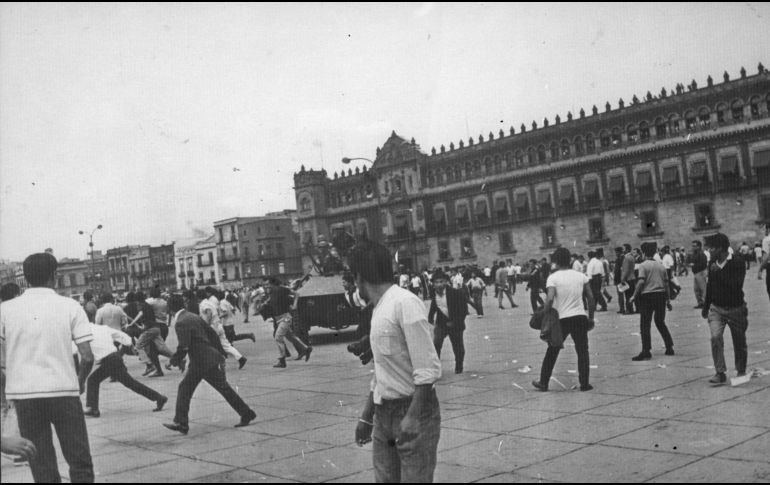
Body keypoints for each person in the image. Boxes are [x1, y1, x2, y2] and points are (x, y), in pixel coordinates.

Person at [349, 241, 442, 483]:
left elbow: (427, 369)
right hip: (383, 414)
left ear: (359, 277)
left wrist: (412, 416)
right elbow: (381, 373)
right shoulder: (379, 308)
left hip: (412, 411)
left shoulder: (405, 303)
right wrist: (366, 416)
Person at [0, 252, 95, 483]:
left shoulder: (5, 310)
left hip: (25, 396)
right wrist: (80, 382)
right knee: (79, 460)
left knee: (40, 462)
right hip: (64, 391)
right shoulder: (71, 306)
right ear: (55, 275)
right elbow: (87, 356)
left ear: (27, 277)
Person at [163, 295, 256, 434]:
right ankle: (246, 413)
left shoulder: (181, 322)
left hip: (201, 361)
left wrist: (173, 361)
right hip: (206, 359)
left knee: (188, 388)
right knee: (217, 388)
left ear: (170, 308)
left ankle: (182, 422)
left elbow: (184, 346)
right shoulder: (193, 316)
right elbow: (212, 334)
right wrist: (219, 352)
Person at [532, 247, 595, 392]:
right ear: (569, 260)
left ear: (556, 261)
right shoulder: (581, 276)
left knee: (552, 350)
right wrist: (591, 317)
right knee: (582, 350)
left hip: (562, 319)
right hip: (579, 317)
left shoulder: (553, 278)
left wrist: (542, 316)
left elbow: (549, 300)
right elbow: (591, 298)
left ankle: (543, 382)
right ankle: (584, 384)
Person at [83, 323, 167, 418]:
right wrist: (129, 344)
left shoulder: (83, 332)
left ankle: (93, 408)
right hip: (115, 357)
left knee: (93, 380)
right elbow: (124, 337)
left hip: (109, 360)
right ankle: (159, 398)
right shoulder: (102, 328)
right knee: (131, 383)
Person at [701, 233, 749, 385]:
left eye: (711, 248)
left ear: (720, 248)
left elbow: (736, 286)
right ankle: (720, 372)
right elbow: (710, 286)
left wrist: (719, 272)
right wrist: (706, 306)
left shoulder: (738, 262)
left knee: (739, 341)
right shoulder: (712, 264)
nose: (709, 251)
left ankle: (741, 370)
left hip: (736, 308)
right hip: (717, 308)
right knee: (715, 337)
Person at [628, 242, 675, 361]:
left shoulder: (643, 266)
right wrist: (668, 300)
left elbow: (641, 282)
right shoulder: (661, 266)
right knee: (660, 322)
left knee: (645, 323)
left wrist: (634, 296)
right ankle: (669, 346)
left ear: (643, 253)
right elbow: (666, 284)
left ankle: (646, 350)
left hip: (647, 296)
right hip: (661, 296)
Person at [265, 277, 311, 368]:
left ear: (273, 284)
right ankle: (306, 349)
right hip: (279, 319)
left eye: (267, 284)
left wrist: (294, 305)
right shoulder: (271, 292)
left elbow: (297, 294)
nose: (266, 286)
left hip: (285, 318)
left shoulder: (282, 289)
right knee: (291, 337)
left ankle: (282, 361)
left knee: (278, 337)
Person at [198, 289, 247, 370]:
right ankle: (240, 358)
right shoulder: (209, 302)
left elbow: (209, 313)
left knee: (210, 346)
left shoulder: (203, 303)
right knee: (226, 345)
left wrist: (206, 324)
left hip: (213, 327)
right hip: (219, 325)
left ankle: (217, 363)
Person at [689, 240, 709, 309]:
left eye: (694, 246)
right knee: (696, 289)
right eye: (692, 246)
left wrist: (694, 265)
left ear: (699, 246)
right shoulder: (695, 254)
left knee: (703, 289)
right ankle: (700, 303)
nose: (693, 247)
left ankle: (705, 303)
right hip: (696, 273)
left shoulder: (702, 254)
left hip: (701, 272)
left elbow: (703, 264)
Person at [620, 244, 638, 314]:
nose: (622, 250)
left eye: (623, 249)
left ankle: (629, 309)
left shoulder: (626, 258)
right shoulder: (631, 257)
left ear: (627, 249)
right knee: (631, 294)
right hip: (632, 277)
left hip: (627, 278)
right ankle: (632, 308)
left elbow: (626, 270)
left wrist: (623, 279)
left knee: (627, 295)